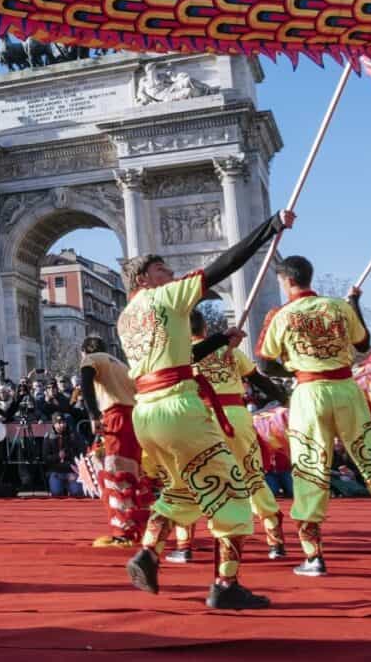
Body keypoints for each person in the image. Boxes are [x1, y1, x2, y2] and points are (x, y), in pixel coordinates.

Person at [119, 209, 294, 611]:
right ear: (144, 278)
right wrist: (269, 226)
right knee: (233, 493)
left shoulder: (126, 317)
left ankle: (148, 551)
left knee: (183, 488)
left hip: (147, 412)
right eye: (163, 269)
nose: (172, 274)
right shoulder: (165, 295)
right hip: (181, 408)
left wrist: (219, 343)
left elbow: (180, 355)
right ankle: (225, 585)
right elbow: (223, 264)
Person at [257, 256, 371, 578]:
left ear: (286, 280)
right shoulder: (338, 307)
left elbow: (265, 364)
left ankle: (314, 555)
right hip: (347, 390)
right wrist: (354, 304)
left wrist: (295, 369)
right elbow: (362, 344)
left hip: (309, 394)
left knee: (310, 469)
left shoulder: (282, 315)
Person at [166, 309, 290, 564]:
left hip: (200, 419)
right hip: (237, 417)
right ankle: (274, 539)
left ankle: (184, 544)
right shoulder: (231, 352)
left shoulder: (180, 357)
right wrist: (286, 398)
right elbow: (260, 380)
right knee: (251, 473)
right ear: (205, 330)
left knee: (189, 477)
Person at [78, 338, 152, 548]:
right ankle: (135, 528)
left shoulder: (92, 360)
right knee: (132, 474)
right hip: (135, 418)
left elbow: (85, 383)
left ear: (84, 351)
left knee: (116, 474)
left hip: (115, 416)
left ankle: (123, 533)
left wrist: (92, 415)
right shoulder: (122, 365)